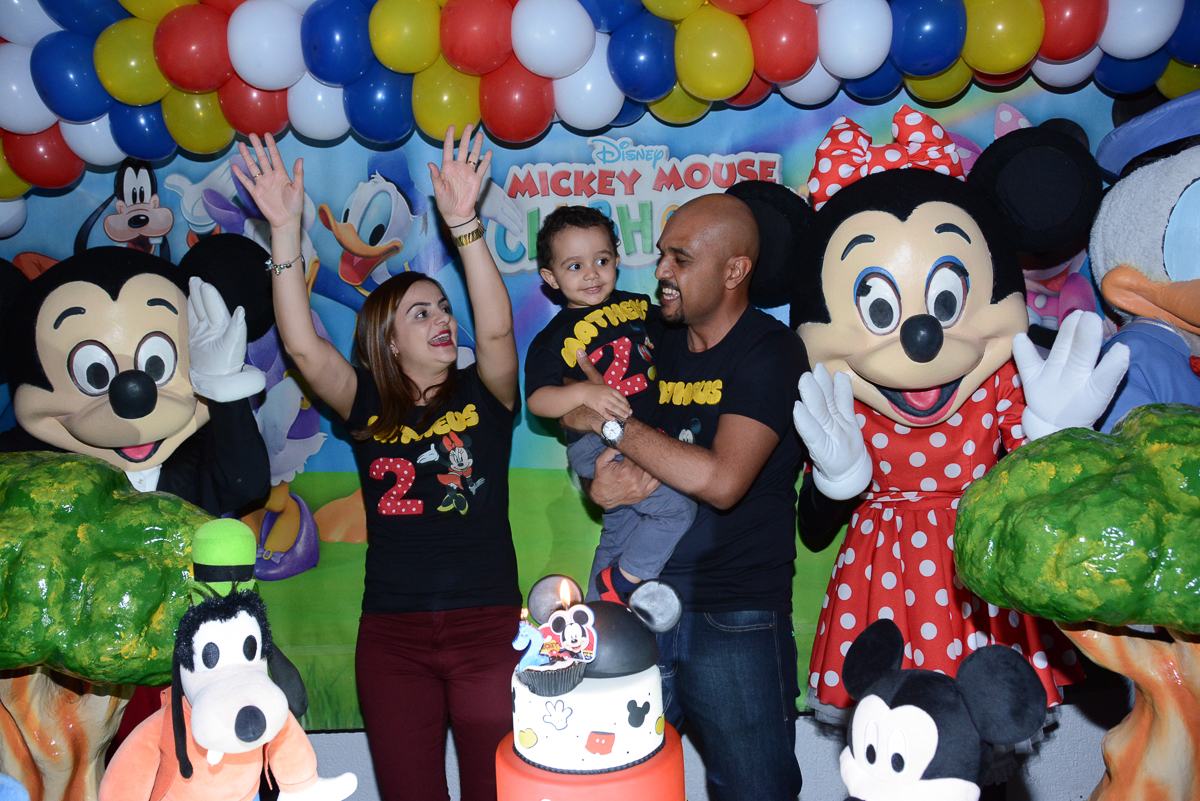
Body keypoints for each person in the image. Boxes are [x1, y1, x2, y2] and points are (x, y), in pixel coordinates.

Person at [234, 128, 521, 801]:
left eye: (445, 308)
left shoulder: (489, 394)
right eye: (421, 313)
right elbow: (304, 350)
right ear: (387, 341)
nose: (443, 320)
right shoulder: (365, 405)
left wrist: (465, 224)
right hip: (393, 638)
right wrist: (284, 229)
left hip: (488, 626)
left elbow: (500, 332)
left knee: (497, 788)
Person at [563, 193, 807, 800]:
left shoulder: (769, 352)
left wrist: (612, 425)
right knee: (615, 786)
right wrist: (600, 482)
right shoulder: (656, 338)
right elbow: (578, 409)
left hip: (735, 614)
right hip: (637, 606)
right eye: (662, 256)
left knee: (754, 791)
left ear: (734, 271)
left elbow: (721, 482)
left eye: (681, 259)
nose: (662, 273)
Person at [524, 205, 696, 602]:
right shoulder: (552, 338)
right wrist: (585, 394)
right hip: (598, 446)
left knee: (620, 526)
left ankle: (597, 609)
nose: (591, 274)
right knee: (677, 510)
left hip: (644, 438)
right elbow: (538, 400)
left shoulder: (638, 306)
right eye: (574, 266)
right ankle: (624, 584)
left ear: (617, 260)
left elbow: (680, 334)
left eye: (602, 260)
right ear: (550, 277)